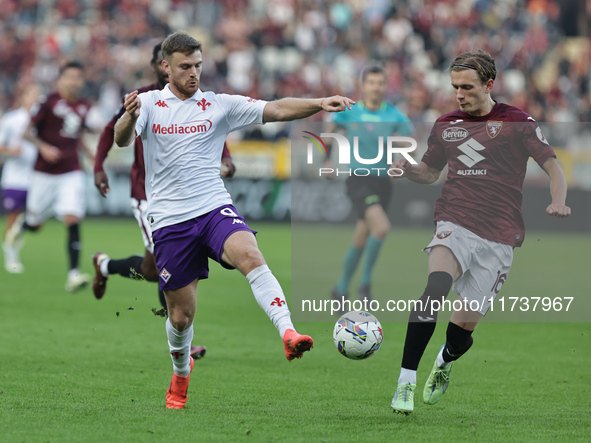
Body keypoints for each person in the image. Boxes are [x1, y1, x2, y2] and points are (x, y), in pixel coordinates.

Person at [114, 31, 354, 409]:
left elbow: (275, 109)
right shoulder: (147, 104)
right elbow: (122, 140)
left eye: (198, 66)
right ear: (166, 68)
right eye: (185, 67)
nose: (194, 73)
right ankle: (180, 373)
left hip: (212, 207)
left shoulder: (218, 104)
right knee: (180, 318)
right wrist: (128, 118)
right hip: (170, 222)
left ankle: (288, 331)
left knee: (250, 254)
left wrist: (320, 103)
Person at [390, 49, 571, 415]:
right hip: (455, 220)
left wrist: (558, 201)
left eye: (467, 87)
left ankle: (445, 360)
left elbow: (553, 168)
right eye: (455, 86)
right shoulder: (446, 125)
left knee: (460, 335)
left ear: (489, 84)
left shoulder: (517, 121)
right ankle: (404, 383)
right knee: (436, 287)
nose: (459, 94)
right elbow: (429, 173)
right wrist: (408, 168)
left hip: (500, 236)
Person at [92, 43, 236, 361]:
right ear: (160, 65)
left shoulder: (197, 99)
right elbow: (111, 130)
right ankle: (180, 336)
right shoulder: (142, 98)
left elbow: (212, 129)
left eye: (190, 65)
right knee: (162, 263)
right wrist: (99, 165)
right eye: (173, 64)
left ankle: (104, 264)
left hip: (183, 199)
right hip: (147, 195)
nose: (184, 70)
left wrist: (224, 157)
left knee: (150, 269)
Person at [327, 64, 413, 303]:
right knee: (382, 227)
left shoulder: (394, 115)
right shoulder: (349, 110)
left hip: (384, 182)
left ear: (386, 86)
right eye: (372, 83)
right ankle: (365, 285)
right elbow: (329, 131)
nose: (376, 87)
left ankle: (341, 289)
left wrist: (400, 150)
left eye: (380, 83)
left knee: (361, 236)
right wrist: (326, 159)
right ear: (363, 86)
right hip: (359, 180)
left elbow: (409, 140)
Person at [6, 61, 95, 291]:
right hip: (44, 173)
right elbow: (27, 133)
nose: (74, 81)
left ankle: (73, 274)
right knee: (36, 224)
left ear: (82, 81)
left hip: (71, 171)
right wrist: (44, 147)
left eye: (78, 77)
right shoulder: (48, 102)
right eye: (70, 77)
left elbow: (78, 135)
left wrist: (90, 154)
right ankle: (23, 225)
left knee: (72, 217)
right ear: (61, 80)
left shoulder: (84, 105)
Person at [0, 84, 41, 273]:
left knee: (35, 220)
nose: (35, 98)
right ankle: (11, 256)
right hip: (14, 178)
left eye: (36, 94)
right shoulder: (11, 119)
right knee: (12, 218)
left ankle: (13, 247)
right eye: (31, 93)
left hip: (36, 177)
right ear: (22, 97)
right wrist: (10, 151)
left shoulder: (42, 119)